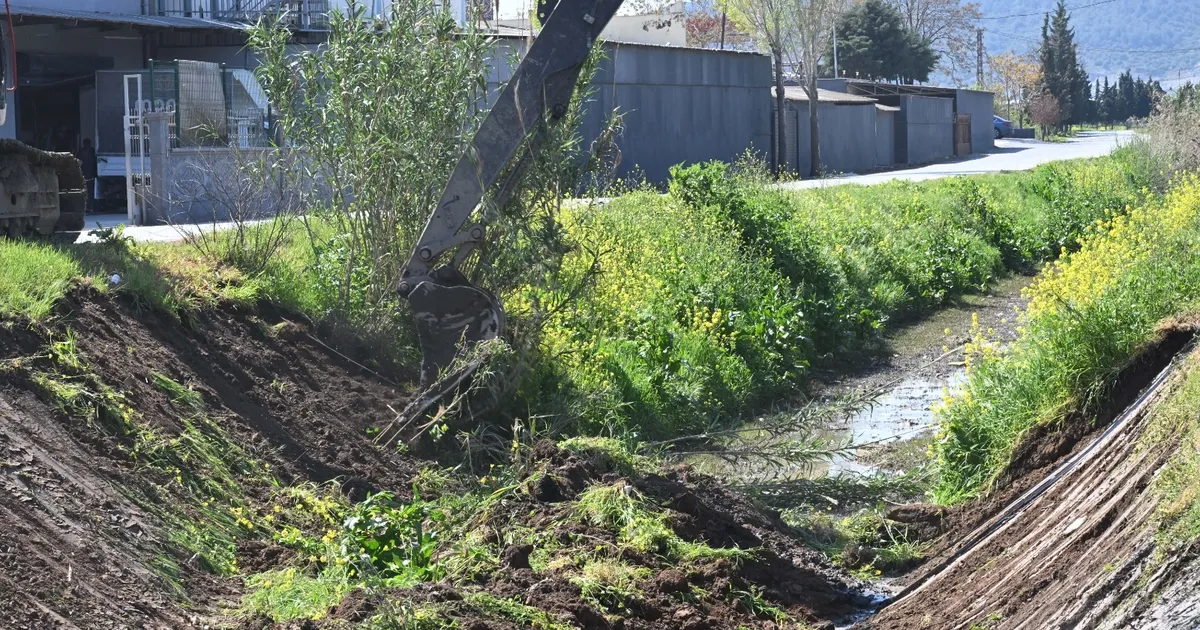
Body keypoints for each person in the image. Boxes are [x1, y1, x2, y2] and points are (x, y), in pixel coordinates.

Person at [77, 138, 98, 213]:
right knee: (91, 192)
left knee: (84, 191)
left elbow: (78, 163)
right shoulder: (92, 151)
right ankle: (90, 207)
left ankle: (85, 207)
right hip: (90, 174)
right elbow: (95, 161)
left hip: (83, 174)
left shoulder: (81, 151)